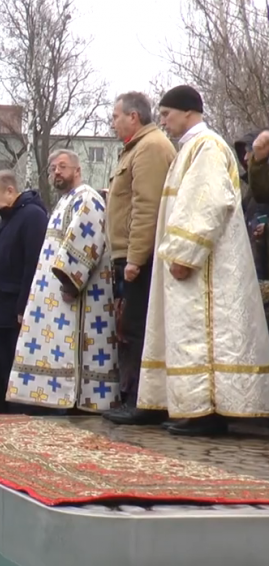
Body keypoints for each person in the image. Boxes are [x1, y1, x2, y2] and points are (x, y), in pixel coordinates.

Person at [134, 86, 269, 436]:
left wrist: (185, 253)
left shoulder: (206, 145)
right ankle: (191, 407)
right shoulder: (189, 149)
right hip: (197, 261)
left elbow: (207, 202)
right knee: (186, 331)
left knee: (204, 332)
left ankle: (207, 409)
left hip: (206, 265)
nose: (162, 122)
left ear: (188, 112)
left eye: (166, 114)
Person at [5, 150, 119, 412]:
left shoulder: (87, 198)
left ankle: (77, 401)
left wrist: (71, 281)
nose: (57, 171)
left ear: (77, 170)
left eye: (63, 167)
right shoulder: (64, 201)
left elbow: (87, 241)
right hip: (55, 294)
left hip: (78, 295)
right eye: (53, 167)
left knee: (76, 349)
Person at [100, 92, 177, 424]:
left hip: (139, 259)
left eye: (116, 116)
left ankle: (143, 401)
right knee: (129, 326)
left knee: (137, 326)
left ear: (134, 116)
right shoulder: (136, 149)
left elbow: (147, 207)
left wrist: (134, 258)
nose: (113, 123)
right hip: (127, 254)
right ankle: (135, 396)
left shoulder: (150, 148)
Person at [0, 171, 47, 412]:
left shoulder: (32, 216)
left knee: (18, 368)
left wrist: (23, 306)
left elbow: (32, 263)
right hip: (1, 308)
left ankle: (23, 416)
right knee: (5, 370)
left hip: (15, 308)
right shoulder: (8, 217)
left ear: (10, 191)